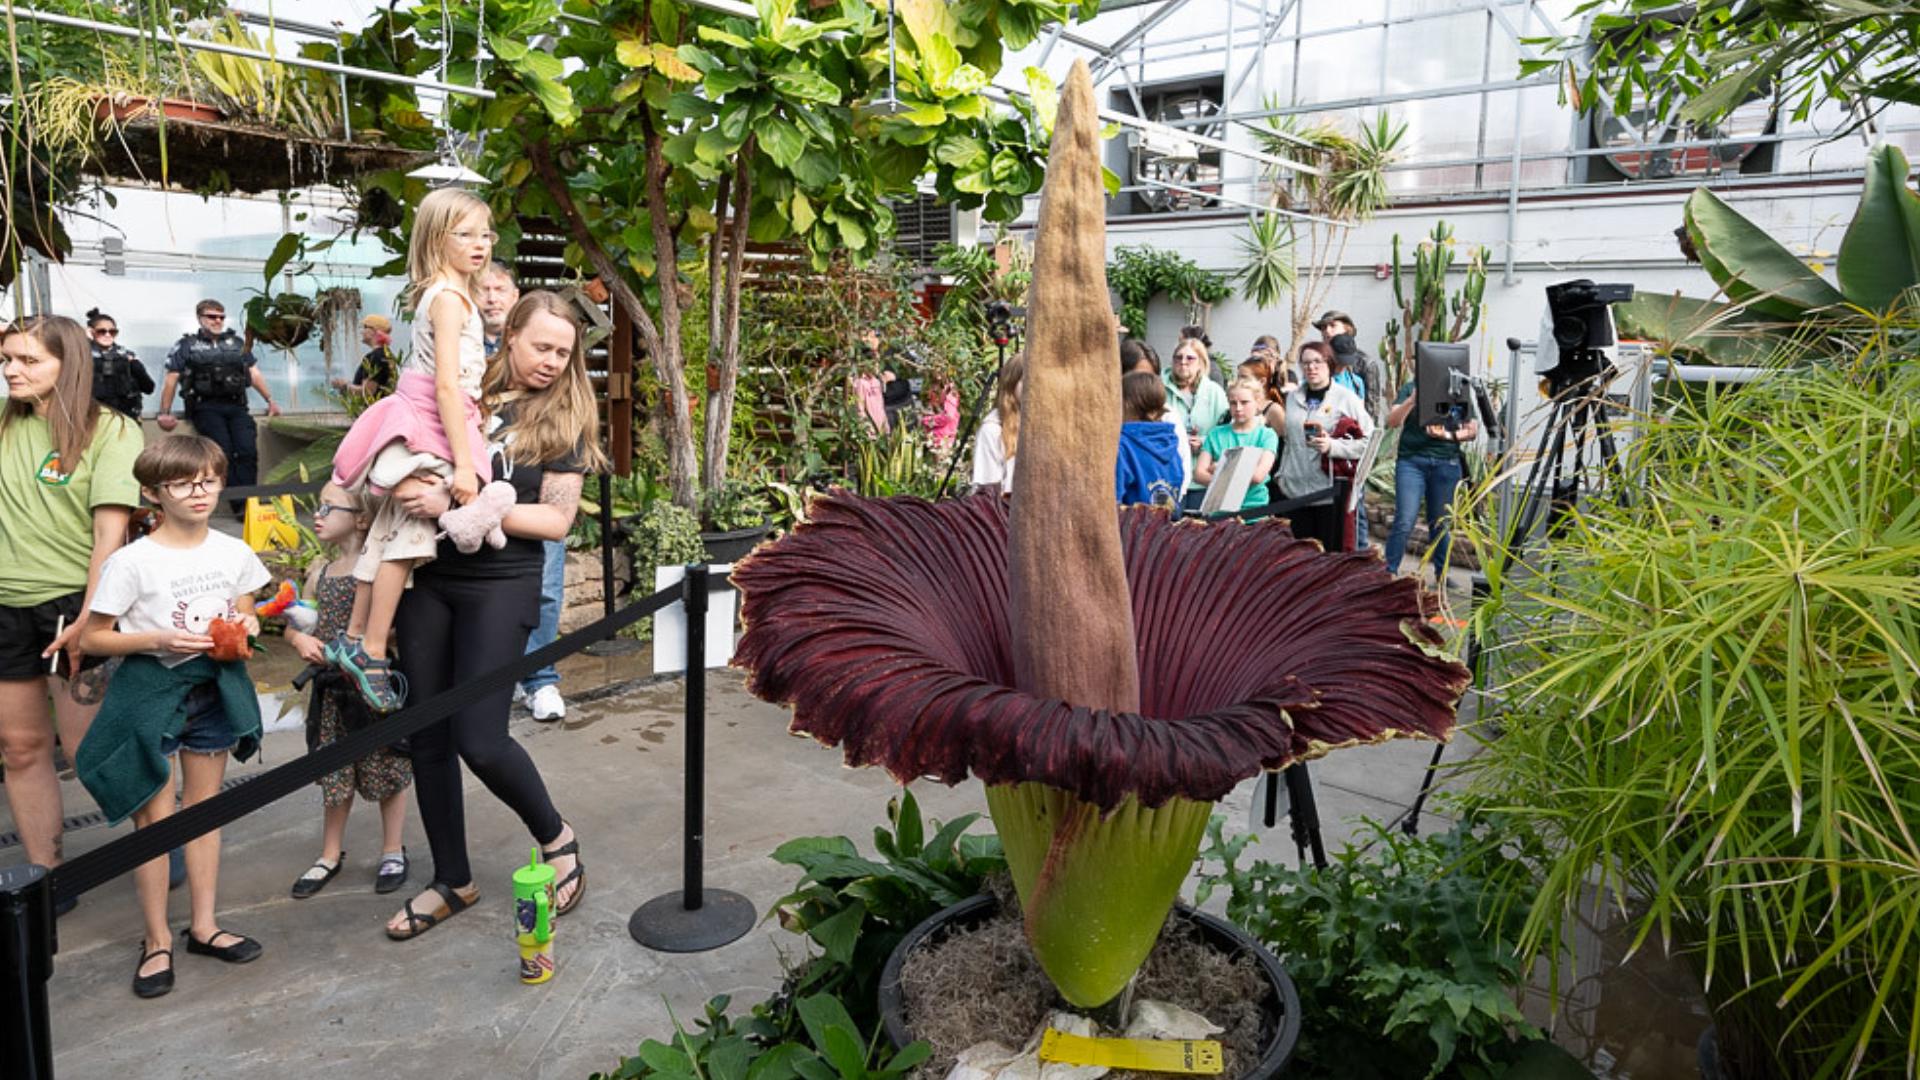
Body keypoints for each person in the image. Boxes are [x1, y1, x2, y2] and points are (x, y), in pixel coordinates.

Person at [380, 290, 604, 941]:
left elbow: (556, 520)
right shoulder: (464, 394)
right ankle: (452, 878)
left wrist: (466, 506)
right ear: (510, 337)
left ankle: (557, 839)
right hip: (432, 575)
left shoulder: (564, 420)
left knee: (479, 738)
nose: (552, 362)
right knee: (427, 735)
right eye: (542, 347)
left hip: (502, 583)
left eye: (564, 353)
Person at [75, 434, 270, 999]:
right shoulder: (132, 562)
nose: (199, 492)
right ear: (153, 492)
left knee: (203, 815)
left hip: (213, 689)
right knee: (155, 824)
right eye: (183, 483)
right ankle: (156, 938)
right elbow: (93, 637)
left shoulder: (232, 551)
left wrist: (248, 625)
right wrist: (156, 638)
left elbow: (244, 608)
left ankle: (204, 926)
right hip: (151, 692)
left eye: (208, 479)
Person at [327, 187, 514, 713]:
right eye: (465, 234)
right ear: (437, 237)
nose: (480, 244)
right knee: (407, 540)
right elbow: (448, 388)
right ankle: (371, 650)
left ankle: (358, 633)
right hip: (431, 428)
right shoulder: (451, 300)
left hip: (421, 419)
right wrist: (461, 464)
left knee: (384, 535)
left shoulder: (439, 293)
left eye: (486, 233)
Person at [0, 315, 141, 915]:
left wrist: (92, 617)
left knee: (92, 751)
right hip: (7, 606)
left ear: (69, 363)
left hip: (72, 606)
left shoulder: (109, 431)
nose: (12, 370)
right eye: (7, 358)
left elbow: (109, 532)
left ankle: (160, 838)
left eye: (28, 360)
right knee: (21, 746)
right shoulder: (5, 426)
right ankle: (46, 877)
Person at [282, 481, 414, 899]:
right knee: (335, 773)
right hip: (331, 692)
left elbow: (396, 626)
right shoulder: (319, 570)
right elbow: (299, 622)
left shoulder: (381, 569)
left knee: (387, 766)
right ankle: (329, 853)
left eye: (328, 507)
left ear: (361, 518)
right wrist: (299, 639)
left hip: (370, 688)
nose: (317, 514)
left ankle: (393, 849)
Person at [156, 299, 280, 503]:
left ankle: (250, 500)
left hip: (237, 407)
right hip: (206, 408)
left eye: (221, 317)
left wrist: (270, 400)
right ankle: (238, 504)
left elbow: (254, 373)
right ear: (200, 318)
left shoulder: (237, 343)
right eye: (212, 317)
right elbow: (171, 379)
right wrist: (164, 412)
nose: (217, 321)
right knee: (224, 453)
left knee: (247, 450)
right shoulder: (187, 345)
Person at [1277, 342, 1373, 550]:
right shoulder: (1292, 398)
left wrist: (1333, 446)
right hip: (1294, 490)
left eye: (1317, 362)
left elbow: (1370, 441)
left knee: (1327, 558)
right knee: (1298, 558)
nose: (1311, 368)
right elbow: (1288, 440)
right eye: (1306, 363)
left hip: (1328, 493)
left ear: (1329, 364)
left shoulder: (1346, 398)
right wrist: (1282, 475)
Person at [1382, 376, 1478, 580]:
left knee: (1440, 522)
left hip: (1446, 462)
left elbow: (1471, 430)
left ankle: (1442, 575)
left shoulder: (1458, 391)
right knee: (1405, 519)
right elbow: (1391, 422)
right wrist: (1411, 400)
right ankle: (1388, 572)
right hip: (1412, 461)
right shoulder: (1409, 388)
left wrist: (1445, 436)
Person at [1194, 377, 1280, 511]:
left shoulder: (1266, 435)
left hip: (1254, 510)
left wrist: (1220, 468)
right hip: (1219, 510)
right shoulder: (1216, 433)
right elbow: (1199, 474)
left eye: (1244, 402)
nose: (1238, 408)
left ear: (1258, 402)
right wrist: (1241, 471)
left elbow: (1258, 476)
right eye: (1233, 403)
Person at [1115, 371, 1185, 508]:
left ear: (1126, 405)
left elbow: (1113, 501)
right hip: (1164, 527)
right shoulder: (1171, 444)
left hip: (1131, 527)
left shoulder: (1123, 446)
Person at [1313, 311, 1388, 422]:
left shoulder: (1365, 363)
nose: (1327, 331)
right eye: (1323, 328)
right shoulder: (1315, 359)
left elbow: (1371, 407)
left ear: (1347, 329)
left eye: (1332, 326)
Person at [1162, 337, 1228, 463]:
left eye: (1190, 358)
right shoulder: (1159, 388)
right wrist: (1179, 440)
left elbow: (1226, 431)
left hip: (1202, 467)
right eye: (1178, 357)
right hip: (1168, 464)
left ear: (1201, 363)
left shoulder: (1214, 392)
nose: (1183, 362)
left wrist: (1204, 442)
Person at [87, 309, 154, 420]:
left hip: (126, 417)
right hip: (93, 419)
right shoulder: (82, 357)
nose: (107, 335)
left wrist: (134, 365)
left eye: (112, 332)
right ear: (92, 332)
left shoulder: (126, 356)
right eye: (101, 331)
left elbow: (149, 387)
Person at [971, 354, 1024, 492]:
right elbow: (988, 492)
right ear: (1011, 383)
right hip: (1003, 511)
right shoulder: (992, 430)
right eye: (1025, 380)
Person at [332, 315, 398, 399]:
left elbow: (368, 392)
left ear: (373, 331)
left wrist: (345, 386)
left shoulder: (376, 356)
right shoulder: (386, 354)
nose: (361, 332)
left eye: (365, 327)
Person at [1235, 355, 1288, 438]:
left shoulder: (1274, 410)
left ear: (1262, 381)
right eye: (1238, 377)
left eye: (1244, 378)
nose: (1239, 382)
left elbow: (1282, 443)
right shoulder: (1236, 404)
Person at [478, 260, 520, 357]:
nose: (492, 299)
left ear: (515, 296)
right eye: (484, 290)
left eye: (500, 290)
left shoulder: (526, 340)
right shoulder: (460, 341)